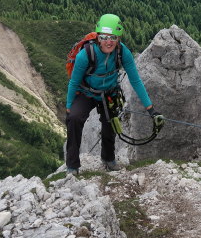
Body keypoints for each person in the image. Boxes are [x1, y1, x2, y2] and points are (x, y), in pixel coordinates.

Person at [65, 14, 159, 174]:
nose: (108, 41)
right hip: (86, 93)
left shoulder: (123, 53)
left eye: (113, 37)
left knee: (110, 123)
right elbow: (74, 82)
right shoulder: (85, 55)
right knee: (74, 118)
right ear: (98, 38)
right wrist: (68, 107)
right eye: (104, 37)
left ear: (118, 38)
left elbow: (136, 81)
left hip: (109, 93)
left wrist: (151, 109)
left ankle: (108, 159)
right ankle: (72, 166)